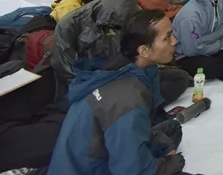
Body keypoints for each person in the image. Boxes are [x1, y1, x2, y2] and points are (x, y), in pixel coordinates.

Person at [47, 9, 190, 175]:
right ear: (144, 51)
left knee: (171, 129)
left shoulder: (126, 70)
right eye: (167, 37)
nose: (174, 41)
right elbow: (131, 171)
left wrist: (163, 148)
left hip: (100, 154)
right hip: (95, 169)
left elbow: (133, 132)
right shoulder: (128, 99)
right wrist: (171, 164)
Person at [50, 0, 189, 104]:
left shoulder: (128, 16)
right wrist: (102, 88)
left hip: (123, 73)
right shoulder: (69, 26)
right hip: (92, 84)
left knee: (179, 78)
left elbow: (135, 52)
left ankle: (139, 103)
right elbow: (68, 72)